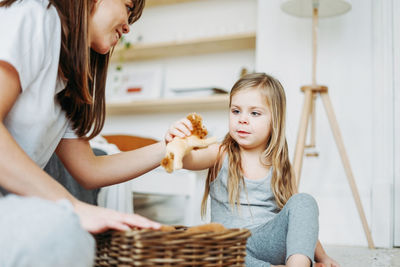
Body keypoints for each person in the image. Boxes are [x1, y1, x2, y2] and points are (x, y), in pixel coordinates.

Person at [0, 0, 183, 266]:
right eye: (128, 7)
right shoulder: (35, 15)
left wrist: (169, 148)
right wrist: (72, 206)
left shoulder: (67, 77)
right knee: (62, 233)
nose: (128, 26)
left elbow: (90, 170)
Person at [170, 73, 340, 267]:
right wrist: (180, 145)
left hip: (269, 241)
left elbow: (299, 221)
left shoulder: (280, 164)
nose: (242, 119)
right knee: (206, 246)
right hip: (231, 248)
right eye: (236, 111)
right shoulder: (220, 152)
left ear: (274, 120)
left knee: (304, 201)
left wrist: (323, 257)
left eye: (254, 113)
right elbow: (190, 160)